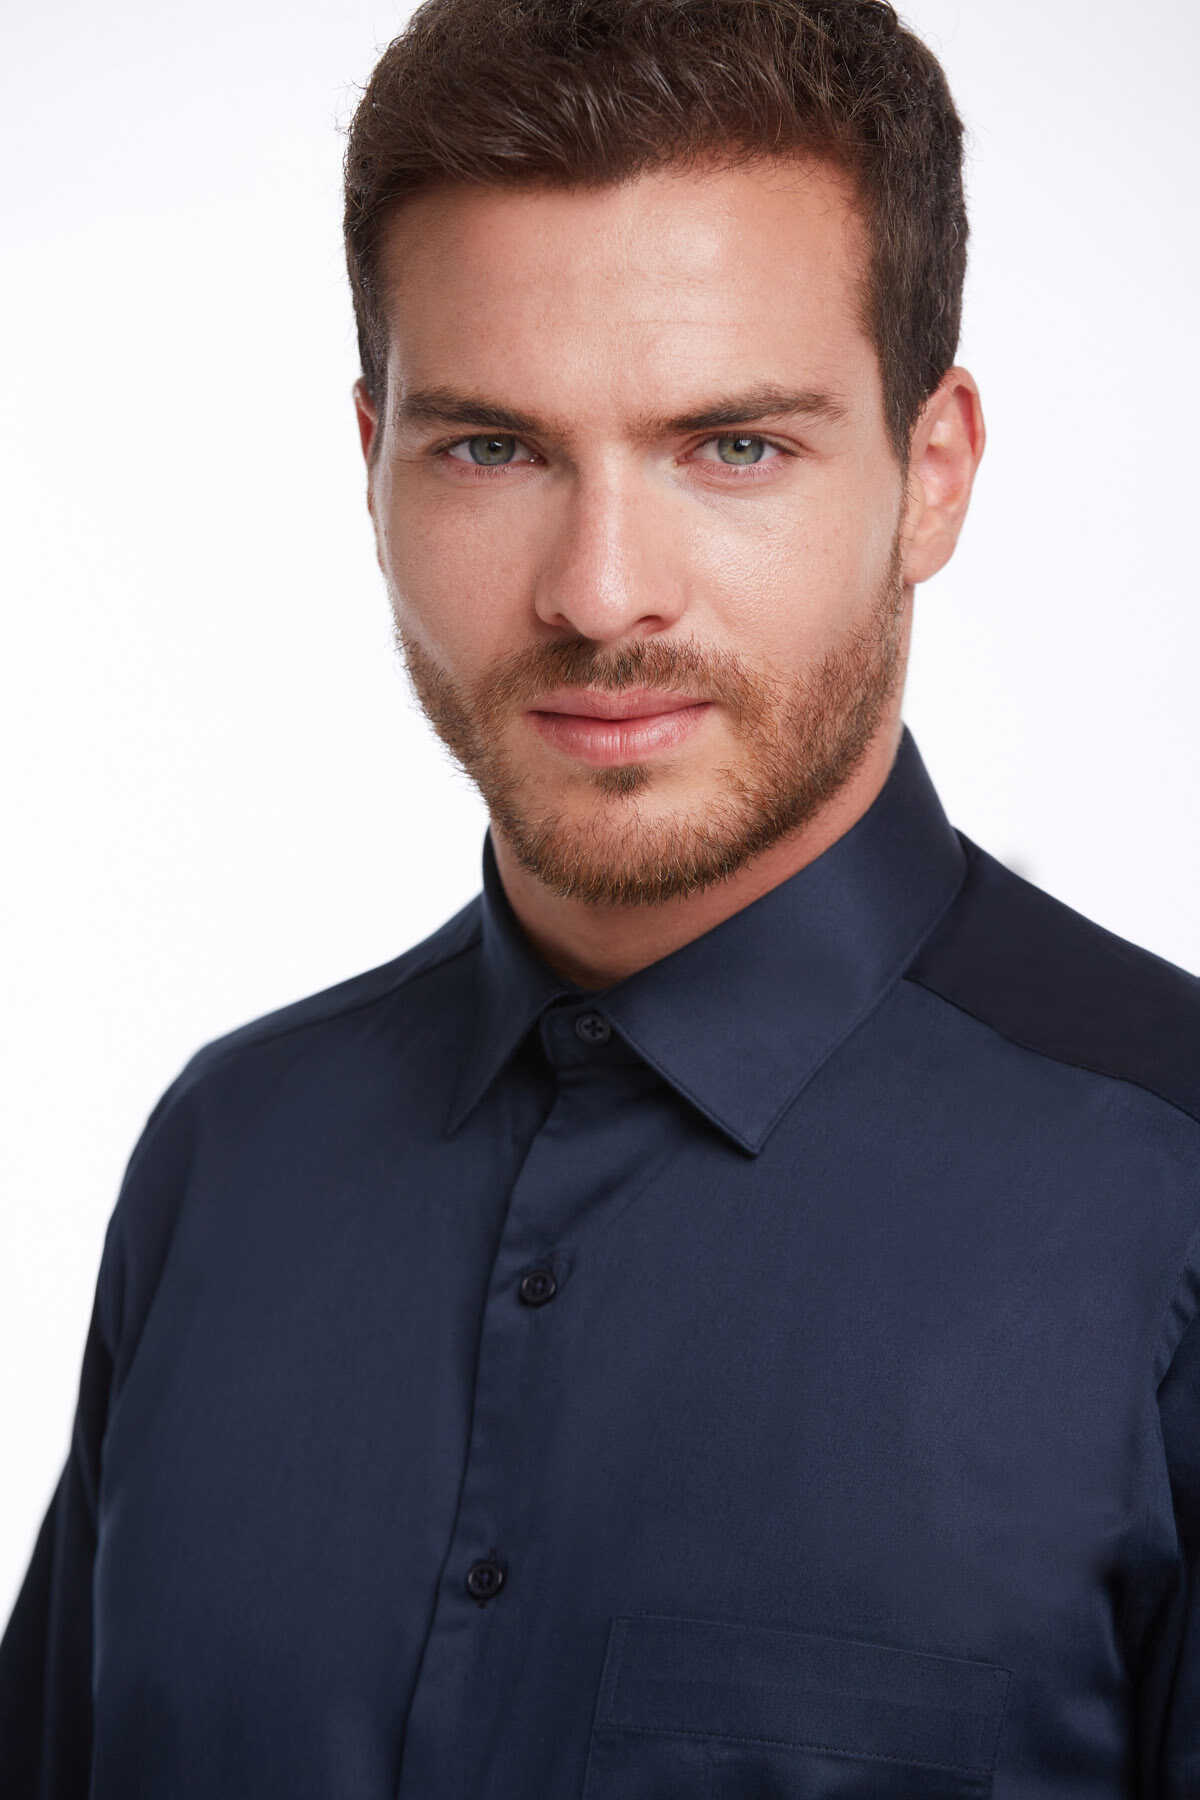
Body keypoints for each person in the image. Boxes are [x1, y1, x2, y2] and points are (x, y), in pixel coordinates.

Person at [2, 0, 1198, 1792]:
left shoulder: (1172, 1195)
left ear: (931, 474)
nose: (600, 591)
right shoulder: (226, 1156)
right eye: (493, 448)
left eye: (734, 447)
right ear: (373, 464)